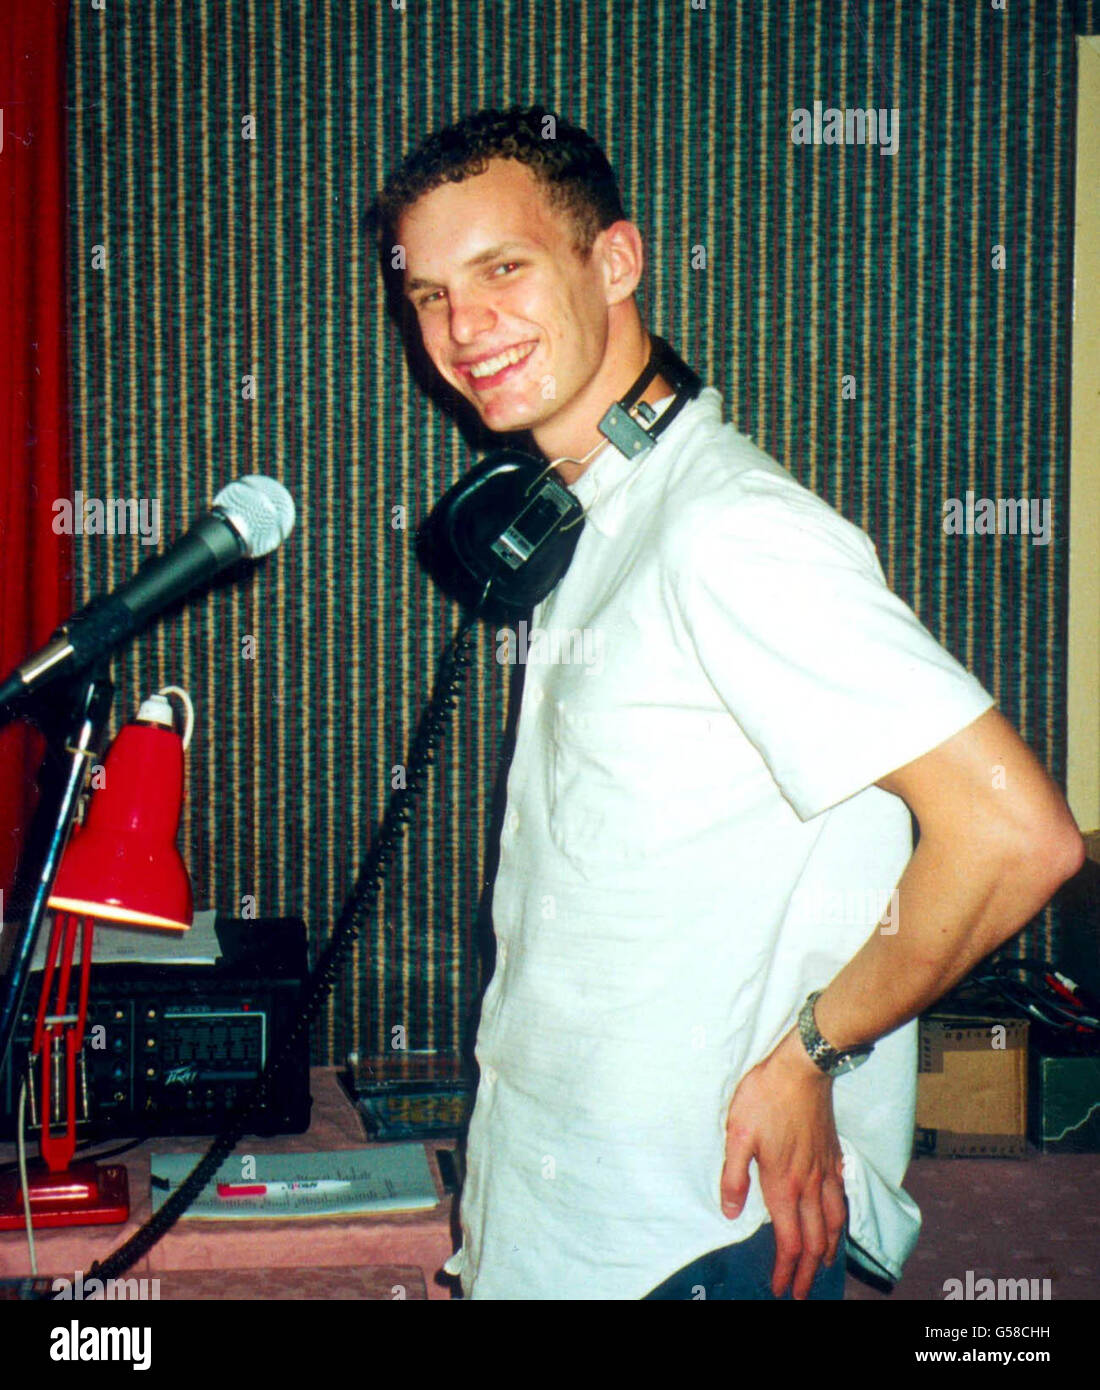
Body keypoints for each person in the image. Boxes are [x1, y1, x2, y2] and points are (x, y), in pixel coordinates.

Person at [371, 105, 1085, 1300]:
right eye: (431, 294)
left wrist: (814, 1051)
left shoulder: (727, 531)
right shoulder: (594, 526)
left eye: (502, 270)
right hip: (572, 1217)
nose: (462, 326)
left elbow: (1016, 835)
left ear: (613, 261)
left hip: (682, 1237)